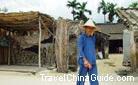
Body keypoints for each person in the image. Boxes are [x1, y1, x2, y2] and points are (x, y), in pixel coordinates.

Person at [77, 19, 99, 85]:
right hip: (84, 62)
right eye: (89, 27)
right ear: (85, 28)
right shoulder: (81, 37)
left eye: (92, 28)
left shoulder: (93, 38)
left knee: (94, 81)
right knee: (81, 81)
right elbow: (80, 49)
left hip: (92, 62)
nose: (90, 29)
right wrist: (85, 60)